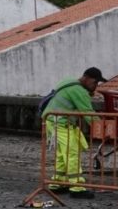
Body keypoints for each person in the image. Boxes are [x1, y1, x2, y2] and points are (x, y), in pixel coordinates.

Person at [43, 68, 105, 198]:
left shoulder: (68, 81)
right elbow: (88, 113)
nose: (95, 86)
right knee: (71, 152)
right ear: (87, 79)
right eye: (95, 83)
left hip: (51, 120)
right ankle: (76, 186)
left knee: (61, 153)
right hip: (61, 123)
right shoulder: (79, 91)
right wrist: (103, 129)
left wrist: (87, 94)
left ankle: (57, 182)